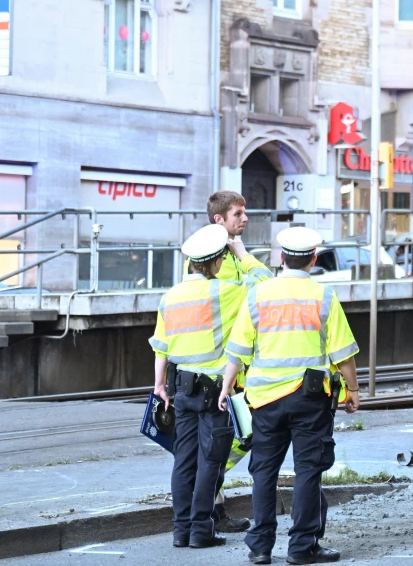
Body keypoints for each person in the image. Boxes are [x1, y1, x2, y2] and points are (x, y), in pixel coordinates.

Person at [221, 226, 360, 565]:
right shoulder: (323, 296)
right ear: (313, 259)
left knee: (264, 472)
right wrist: (353, 390)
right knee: (308, 471)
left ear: (281, 258)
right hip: (309, 399)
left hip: (264, 401)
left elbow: (237, 350)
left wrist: (226, 387)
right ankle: (302, 547)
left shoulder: (258, 294)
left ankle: (260, 545)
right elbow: (343, 353)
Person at [149, 225, 248, 549]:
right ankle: (201, 531)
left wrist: (159, 385)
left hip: (181, 390)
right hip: (214, 393)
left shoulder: (170, 296)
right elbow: (261, 285)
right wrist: (241, 254)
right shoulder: (223, 292)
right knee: (211, 461)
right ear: (217, 261)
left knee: (183, 460)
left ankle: (181, 531)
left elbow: (160, 345)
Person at [208, 191, 274, 284]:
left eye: (244, 213)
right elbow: (265, 282)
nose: (245, 218)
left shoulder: (227, 248)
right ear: (219, 219)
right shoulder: (214, 256)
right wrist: (243, 254)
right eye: (238, 214)